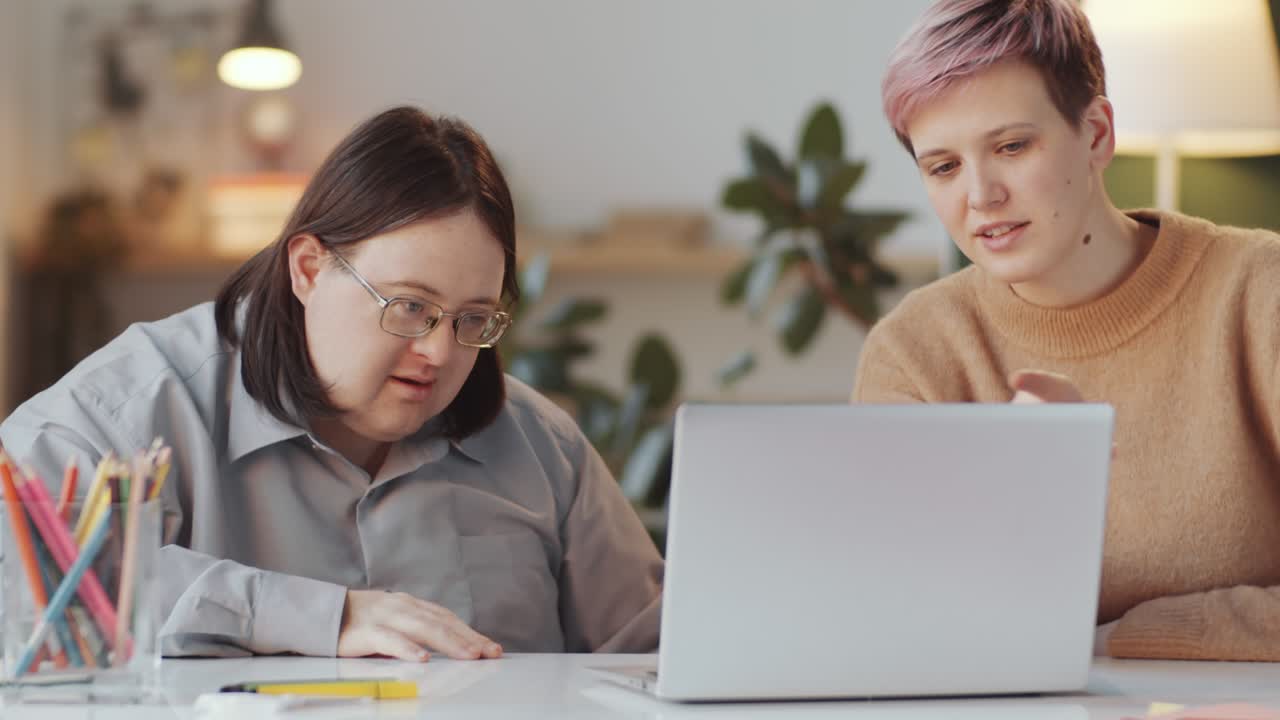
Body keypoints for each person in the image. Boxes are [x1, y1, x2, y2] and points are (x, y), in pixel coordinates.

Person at [0, 106, 663, 660]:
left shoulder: (544, 449)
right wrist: (317, 616)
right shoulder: (128, 406)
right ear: (310, 268)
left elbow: (659, 654)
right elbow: (23, 580)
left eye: (472, 319)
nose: (437, 351)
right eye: (409, 306)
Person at [856, 0, 1280, 661]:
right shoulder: (913, 354)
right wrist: (1016, 482)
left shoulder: (1259, 293)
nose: (981, 196)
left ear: (1097, 134)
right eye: (943, 167)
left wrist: (1122, 638)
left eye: (1012, 146)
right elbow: (898, 622)